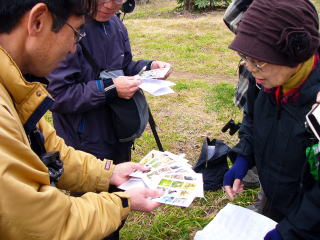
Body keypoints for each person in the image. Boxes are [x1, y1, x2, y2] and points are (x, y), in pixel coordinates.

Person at [0, 1, 163, 239]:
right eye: (76, 33)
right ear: (38, 21)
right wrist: (122, 203)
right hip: (87, 137)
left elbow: (51, 148)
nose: (73, 50)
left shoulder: (17, 90)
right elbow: (47, 225)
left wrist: (108, 173)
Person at [222, 0, 320, 239]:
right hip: (275, 199)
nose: (250, 68)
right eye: (246, 58)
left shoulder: (316, 103)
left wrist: (291, 232)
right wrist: (243, 158)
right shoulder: (264, 79)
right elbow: (253, 118)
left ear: (295, 55)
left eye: (258, 62)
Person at [46, 0, 172, 164]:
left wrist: (148, 67)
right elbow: (57, 95)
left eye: (118, 0)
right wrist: (110, 89)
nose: (110, 5)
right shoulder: (66, 26)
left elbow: (124, 66)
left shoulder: (115, 23)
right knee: (93, 185)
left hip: (118, 127)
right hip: (85, 138)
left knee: (121, 181)